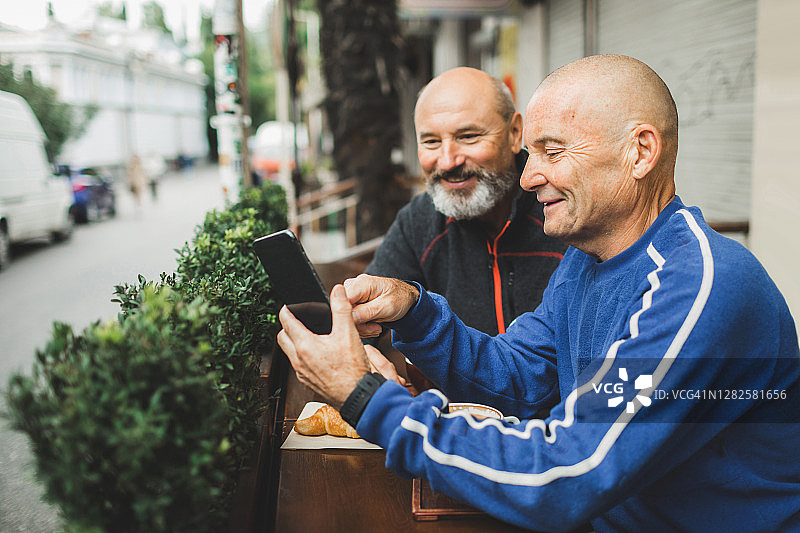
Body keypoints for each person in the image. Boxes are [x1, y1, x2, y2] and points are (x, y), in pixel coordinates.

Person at [277, 55, 800, 532]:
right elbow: (519, 376)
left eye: (553, 151)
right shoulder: (587, 256)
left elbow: (571, 475)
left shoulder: (701, 286)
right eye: (531, 154)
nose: (528, 177)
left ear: (640, 152)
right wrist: (414, 311)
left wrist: (366, 398)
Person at [366, 67, 566, 336]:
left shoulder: (564, 206)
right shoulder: (420, 221)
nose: (448, 161)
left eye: (468, 137)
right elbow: (366, 316)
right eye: (431, 142)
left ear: (515, 133)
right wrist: (368, 358)